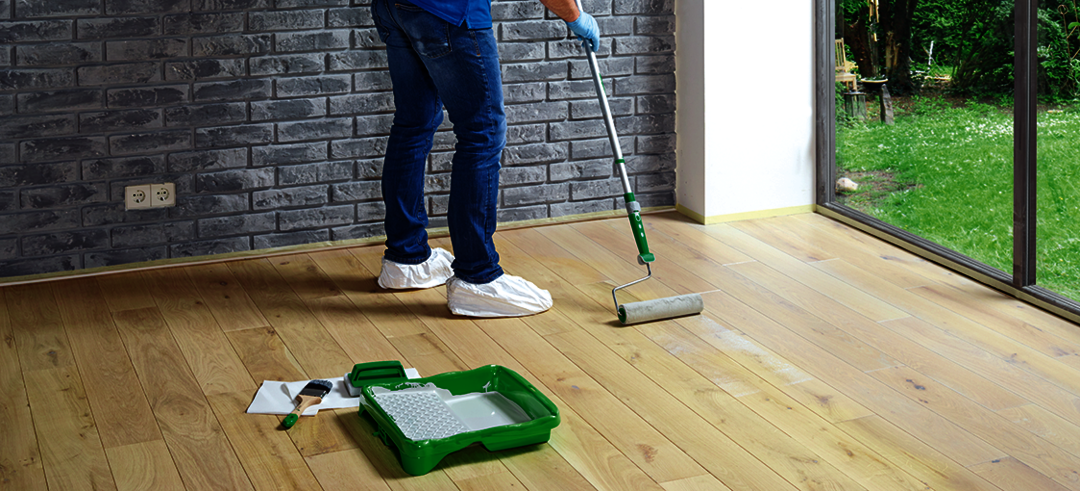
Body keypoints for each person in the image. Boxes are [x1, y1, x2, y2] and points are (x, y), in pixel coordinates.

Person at [370, 0, 600, 317]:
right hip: (449, 10)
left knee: (414, 123)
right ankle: (476, 276)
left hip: (395, 6)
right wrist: (575, 17)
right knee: (483, 131)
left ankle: (406, 258)